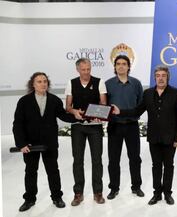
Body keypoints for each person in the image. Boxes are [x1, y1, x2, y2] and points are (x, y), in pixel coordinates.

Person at [113, 65, 177, 205]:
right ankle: (157, 193)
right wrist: (120, 111)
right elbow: (136, 111)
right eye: (158, 75)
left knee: (169, 166)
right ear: (155, 78)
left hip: (170, 138)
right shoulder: (148, 93)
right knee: (156, 166)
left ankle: (167, 193)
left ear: (167, 77)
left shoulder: (176, 93)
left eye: (163, 75)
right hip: (154, 137)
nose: (161, 78)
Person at [13, 72, 78, 212]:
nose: (43, 84)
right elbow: (18, 124)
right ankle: (29, 199)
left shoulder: (54, 100)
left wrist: (78, 116)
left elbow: (63, 116)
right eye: (39, 81)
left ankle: (57, 197)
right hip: (30, 145)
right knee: (30, 171)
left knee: (53, 171)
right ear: (33, 84)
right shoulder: (24, 101)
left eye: (45, 81)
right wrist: (21, 144)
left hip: (49, 143)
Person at [65, 58, 107, 205]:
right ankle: (78, 193)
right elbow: (68, 107)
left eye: (88, 69)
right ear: (78, 70)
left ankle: (98, 192)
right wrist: (74, 111)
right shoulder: (71, 83)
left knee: (97, 161)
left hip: (95, 127)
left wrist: (97, 113)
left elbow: (103, 104)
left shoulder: (99, 82)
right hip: (78, 127)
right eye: (83, 69)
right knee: (78, 161)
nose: (86, 72)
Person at [105, 55, 144, 200]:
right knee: (113, 159)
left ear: (128, 66)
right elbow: (103, 105)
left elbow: (140, 105)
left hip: (131, 126)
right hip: (114, 126)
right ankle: (114, 188)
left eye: (124, 64)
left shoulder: (136, 83)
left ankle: (136, 187)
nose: (121, 66)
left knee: (135, 158)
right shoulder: (108, 84)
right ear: (114, 67)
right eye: (118, 64)